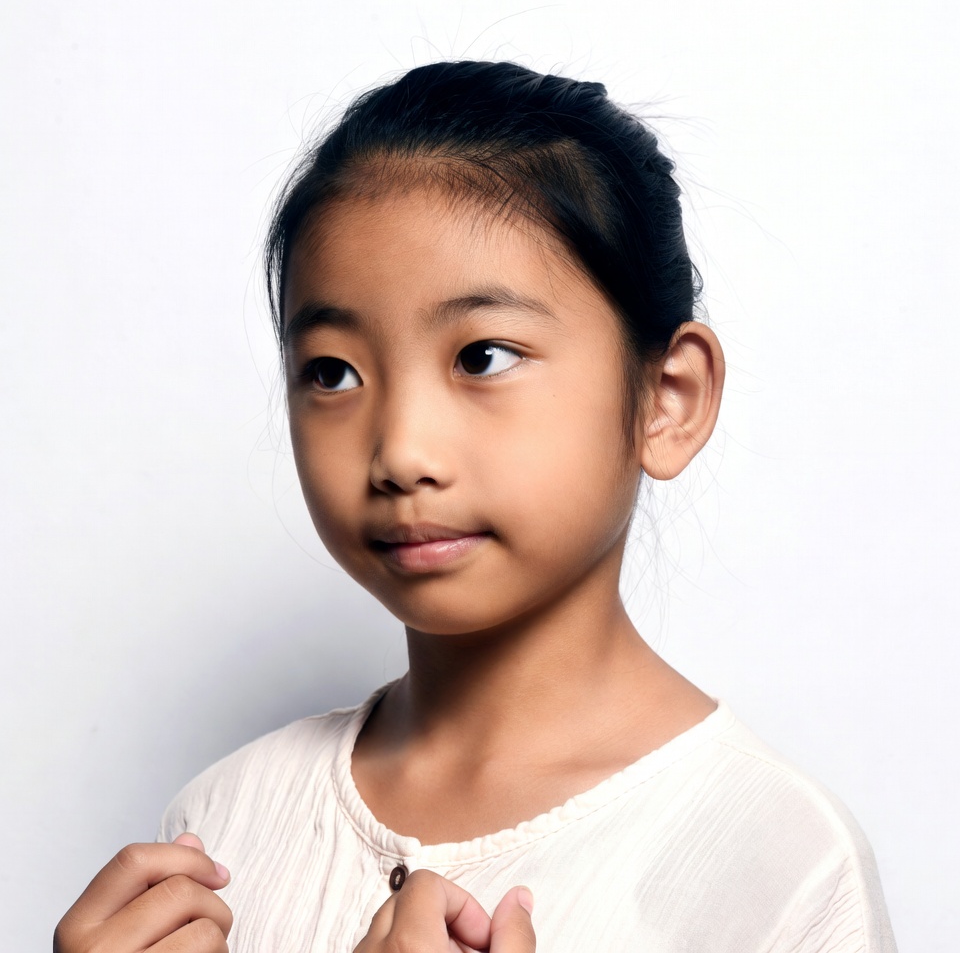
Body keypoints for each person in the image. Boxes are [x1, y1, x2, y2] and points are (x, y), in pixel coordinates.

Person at [54, 59, 897, 953]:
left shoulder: (781, 870)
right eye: (334, 372)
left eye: (483, 356)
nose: (401, 452)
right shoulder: (220, 824)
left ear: (667, 398)